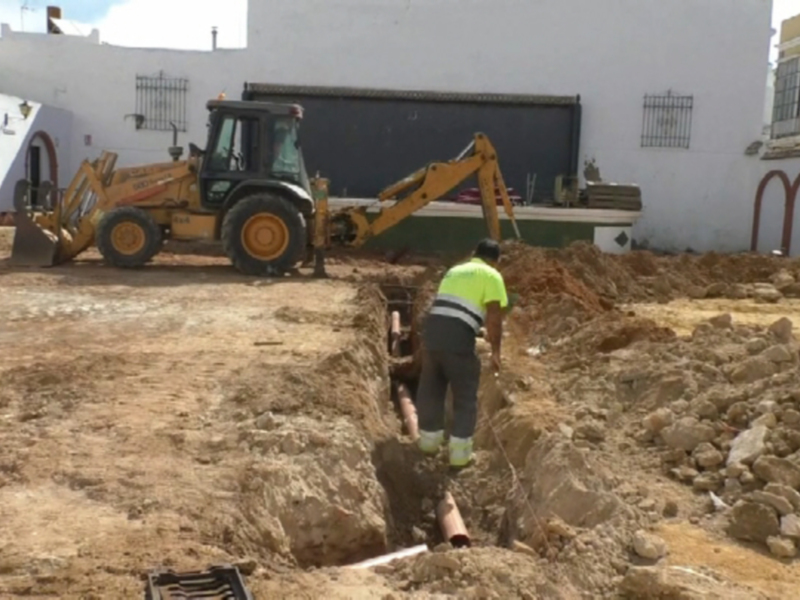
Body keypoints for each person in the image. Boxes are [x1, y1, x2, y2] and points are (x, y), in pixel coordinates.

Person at [416, 238, 508, 468]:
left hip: (432, 332)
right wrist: (496, 352)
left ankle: (428, 443)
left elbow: (451, 309)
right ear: (495, 261)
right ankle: (459, 456)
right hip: (458, 339)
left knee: (432, 389)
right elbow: (495, 317)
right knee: (465, 394)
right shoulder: (491, 275)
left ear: (474, 254)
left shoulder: (454, 271)